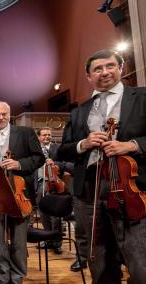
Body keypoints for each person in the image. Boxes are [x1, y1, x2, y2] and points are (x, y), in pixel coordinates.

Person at [57, 49, 146, 283]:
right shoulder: (79, 112)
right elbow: (63, 148)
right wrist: (83, 144)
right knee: (99, 260)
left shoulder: (142, 97)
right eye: (97, 69)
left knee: (140, 261)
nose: (104, 72)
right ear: (89, 76)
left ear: (121, 68)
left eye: (110, 66)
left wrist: (132, 145)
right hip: (89, 191)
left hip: (132, 187)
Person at [0, 101, 44, 284]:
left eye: (4, 114)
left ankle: (18, 276)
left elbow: (38, 158)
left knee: (19, 241)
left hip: (21, 195)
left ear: (9, 114)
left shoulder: (26, 133)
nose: (1, 117)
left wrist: (19, 164)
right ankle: (3, 276)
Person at [34, 127, 67, 255]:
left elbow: (65, 163)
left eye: (49, 135)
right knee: (43, 214)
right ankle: (48, 240)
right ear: (38, 137)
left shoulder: (57, 148)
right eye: (44, 135)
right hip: (40, 184)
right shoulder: (35, 149)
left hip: (54, 184)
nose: (47, 137)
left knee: (56, 216)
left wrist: (55, 163)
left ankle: (57, 243)